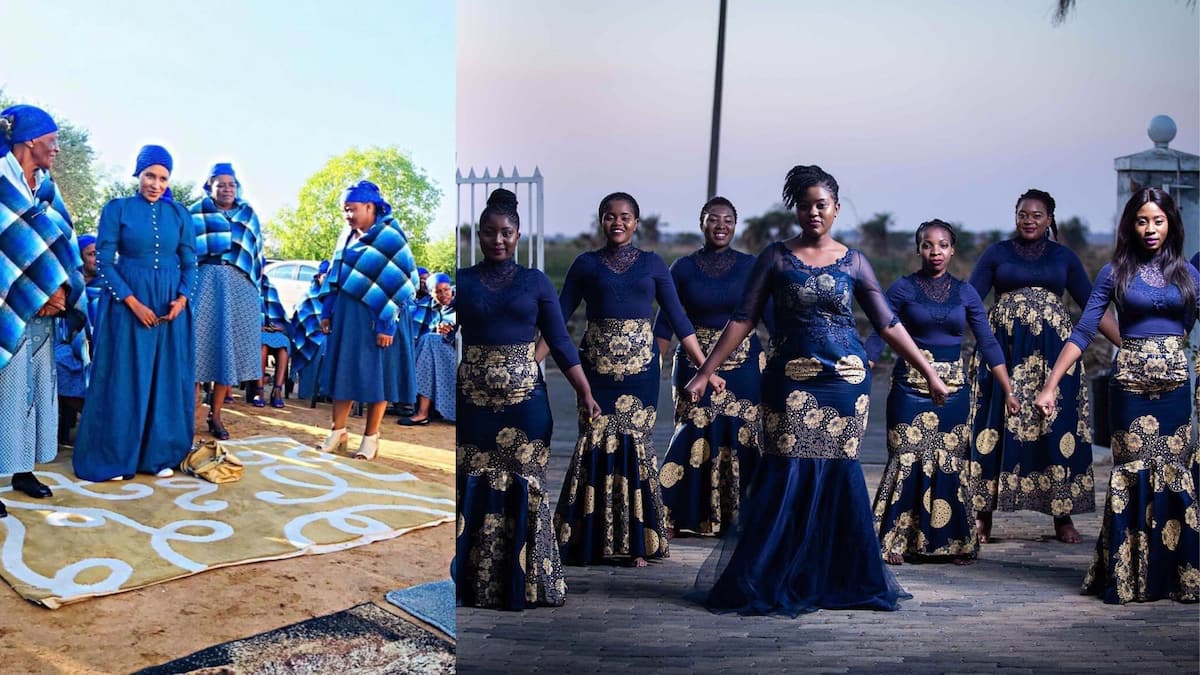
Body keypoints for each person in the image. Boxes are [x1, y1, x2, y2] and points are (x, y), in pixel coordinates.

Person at [684, 165, 949, 615]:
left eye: (821, 205)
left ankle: (841, 578)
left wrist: (928, 371)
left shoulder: (855, 261)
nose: (813, 212)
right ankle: (774, 576)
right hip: (789, 382)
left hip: (845, 386)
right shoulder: (775, 258)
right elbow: (743, 320)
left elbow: (887, 323)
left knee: (839, 474)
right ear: (795, 211)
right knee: (786, 472)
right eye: (804, 205)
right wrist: (705, 370)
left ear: (836, 209)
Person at [1035, 187, 1198, 604]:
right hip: (1129, 390)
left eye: (1157, 221)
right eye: (1142, 221)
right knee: (1134, 473)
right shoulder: (1115, 273)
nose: (1150, 229)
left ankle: (1173, 574)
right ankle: (1130, 575)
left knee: (1173, 473)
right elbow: (1085, 330)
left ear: (1170, 225)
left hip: (1176, 389)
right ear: (1130, 225)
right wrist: (1050, 385)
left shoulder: (1189, 275)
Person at [549, 191, 715, 568]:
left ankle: (638, 542)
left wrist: (706, 369)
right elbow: (557, 321)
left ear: (636, 222)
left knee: (635, 450)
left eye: (625, 216)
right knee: (593, 445)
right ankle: (588, 540)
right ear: (601, 221)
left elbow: (678, 320)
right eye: (610, 216)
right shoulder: (584, 264)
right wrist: (531, 361)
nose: (617, 222)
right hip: (595, 373)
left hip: (641, 373)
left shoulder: (654, 264)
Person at [456, 188, 600, 610]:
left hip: (526, 406)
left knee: (525, 487)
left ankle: (528, 583)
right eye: (488, 233)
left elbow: (559, 340)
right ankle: (472, 585)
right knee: (472, 487)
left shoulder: (535, 281)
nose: (497, 240)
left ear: (517, 235)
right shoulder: (462, 280)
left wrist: (585, 392)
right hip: (474, 404)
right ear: (478, 236)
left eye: (505, 233)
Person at [967, 189, 1121, 544]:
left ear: (1050, 218)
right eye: (1023, 213)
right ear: (1015, 215)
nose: (1029, 220)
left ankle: (1062, 517)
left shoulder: (1064, 257)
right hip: (1003, 354)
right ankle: (982, 516)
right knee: (993, 427)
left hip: (1054, 358)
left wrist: (1128, 346)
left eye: (1037, 215)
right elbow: (969, 299)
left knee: (1057, 428)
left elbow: (1094, 308)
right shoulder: (997, 253)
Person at [866, 220, 1019, 565]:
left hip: (953, 390)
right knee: (906, 458)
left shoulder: (966, 293)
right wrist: (866, 367)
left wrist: (1008, 389)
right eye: (927, 245)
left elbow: (988, 341)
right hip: (909, 387)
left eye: (943, 245)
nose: (935, 252)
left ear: (953, 250)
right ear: (918, 249)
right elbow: (880, 331)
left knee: (950, 464)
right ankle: (894, 540)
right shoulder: (902, 289)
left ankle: (953, 542)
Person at [73, 145, 196, 481]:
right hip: (127, 306)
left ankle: (158, 456)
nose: (155, 184)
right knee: (125, 378)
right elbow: (104, 261)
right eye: (149, 176)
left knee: (164, 378)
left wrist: (182, 298)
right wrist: (132, 302)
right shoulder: (118, 209)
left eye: (162, 177)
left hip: (170, 309)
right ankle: (114, 457)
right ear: (138, 175)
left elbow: (190, 262)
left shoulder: (180, 215)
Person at [653, 196, 764, 537]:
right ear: (701, 223)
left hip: (745, 364)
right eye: (713, 219)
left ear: (736, 224)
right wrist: (649, 369)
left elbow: (771, 318)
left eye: (728, 220)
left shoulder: (752, 266)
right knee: (692, 431)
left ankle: (745, 518)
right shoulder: (682, 268)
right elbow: (665, 322)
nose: (720, 226)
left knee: (743, 435)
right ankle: (672, 516)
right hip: (692, 360)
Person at [0, 104, 86, 512]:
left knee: (34, 389)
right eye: (52, 139)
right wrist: (38, 291)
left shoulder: (47, 187)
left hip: (47, 312)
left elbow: (64, 243)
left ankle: (23, 469)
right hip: (9, 303)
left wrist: (62, 292)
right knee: (6, 390)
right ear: (30, 139)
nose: (57, 148)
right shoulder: (1, 180)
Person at [317, 181, 417, 460]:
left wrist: (386, 324)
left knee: (378, 376)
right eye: (345, 210)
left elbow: (399, 283)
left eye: (352, 209)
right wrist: (328, 309)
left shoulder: (390, 237)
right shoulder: (346, 236)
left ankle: (371, 438)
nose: (348, 215)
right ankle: (338, 432)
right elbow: (336, 275)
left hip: (379, 318)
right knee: (343, 372)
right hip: (348, 316)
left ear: (371, 207)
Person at [189, 163, 266, 439]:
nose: (226, 188)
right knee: (196, 351)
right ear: (209, 186)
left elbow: (256, 256)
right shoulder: (196, 212)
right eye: (220, 184)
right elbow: (186, 253)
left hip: (238, 286)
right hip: (205, 283)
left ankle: (217, 416)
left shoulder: (248, 214)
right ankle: (189, 415)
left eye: (231, 184)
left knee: (227, 353)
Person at [56, 233, 98, 443]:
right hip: (67, 343)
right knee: (59, 362)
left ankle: (96, 422)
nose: (97, 258)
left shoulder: (107, 285)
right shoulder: (69, 284)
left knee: (97, 365)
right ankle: (91, 420)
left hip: (98, 345)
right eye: (91, 254)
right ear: (80, 257)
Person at [400, 272, 455, 425]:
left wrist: (453, 332)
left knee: (429, 340)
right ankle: (422, 411)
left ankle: (422, 412)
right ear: (431, 293)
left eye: (446, 289)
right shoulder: (429, 309)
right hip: (439, 354)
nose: (444, 294)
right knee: (428, 345)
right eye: (438, 291)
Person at [258, 275, 291, 408]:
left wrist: (279, 327)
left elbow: (281, 317)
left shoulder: (270, 288)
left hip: (272, 330)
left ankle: (277, 390)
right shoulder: (248, 284)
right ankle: (259, 390)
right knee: (263, 345)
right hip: (255, 331)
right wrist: (259, 327)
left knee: (284, 345)